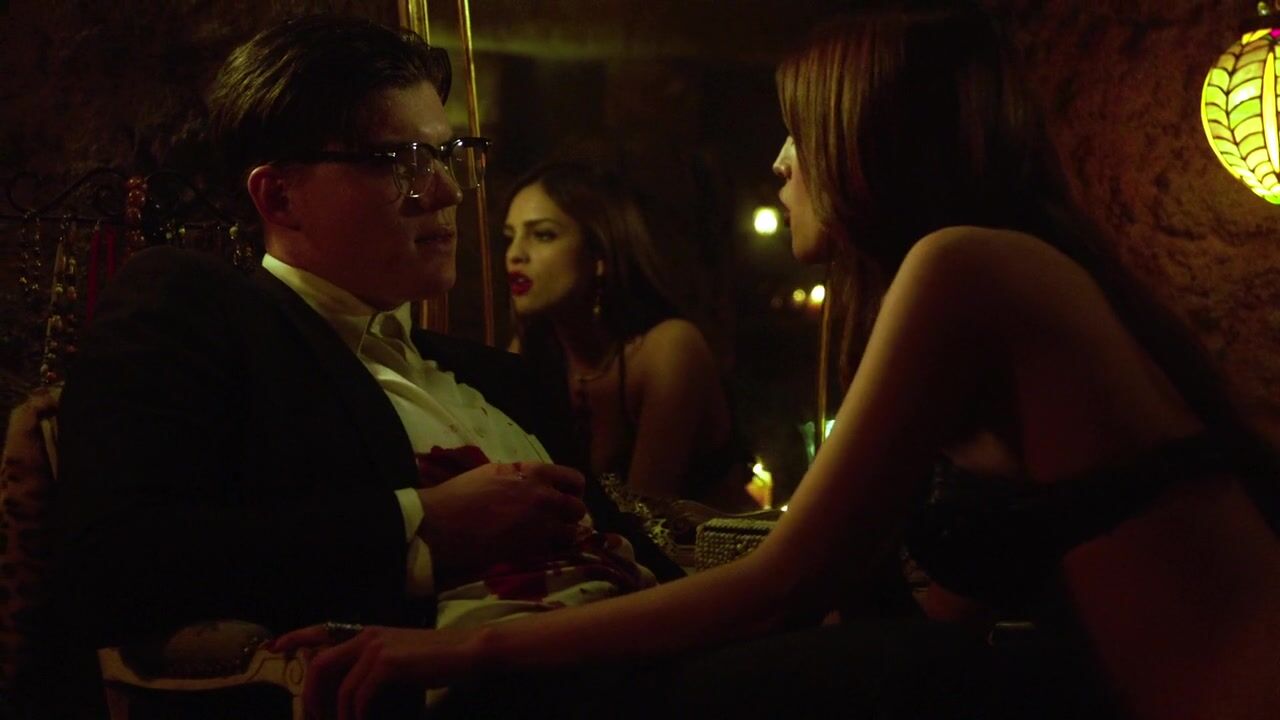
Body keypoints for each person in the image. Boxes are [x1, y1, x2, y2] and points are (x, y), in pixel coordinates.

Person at [276, 4, 1280, 720]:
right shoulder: (978, 274)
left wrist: (467, 647)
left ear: (872, 141)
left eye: (799, 132)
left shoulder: (967, 267)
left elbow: (785, 581)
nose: (779, 163)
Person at [47, 12, 679, 670]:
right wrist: (423, 523)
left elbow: (644, 561)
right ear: (280, 197)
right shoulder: (203, 312)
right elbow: (111, 563)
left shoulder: (504, 377)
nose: (447, 191)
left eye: (447, 155)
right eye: (401, 162)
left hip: (652, 646)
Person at [503, 162, 756, 511]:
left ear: (600, 255)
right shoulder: (530, 353)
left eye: (543, 234)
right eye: (509, 236)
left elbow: (645, 516)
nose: (515, 254)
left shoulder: (668, 349)